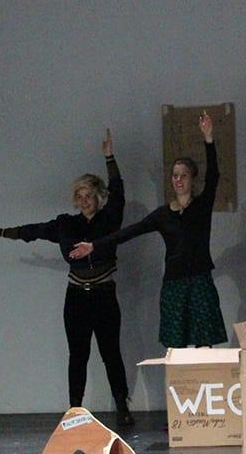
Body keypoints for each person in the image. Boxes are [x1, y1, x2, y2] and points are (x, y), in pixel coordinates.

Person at [0, 129, 134, 426]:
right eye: (80, 196)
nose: (84, 200)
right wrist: (3, 232)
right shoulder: (66, 224)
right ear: (75, 200)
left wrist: (109, 158)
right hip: (76, 297)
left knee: (110, 353)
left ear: (98, 197)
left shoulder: (109, 219)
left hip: (103, 294)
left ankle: (122, 406)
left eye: (89, 195)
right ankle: (74, 410)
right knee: (78, 354)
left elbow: (118, 191)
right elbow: (35, 231)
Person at [70, 111, 227, 348]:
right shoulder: (162, 215)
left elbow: (213, 175)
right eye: (175, 176)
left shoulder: (201, 206)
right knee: (176, 344)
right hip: (174, 283)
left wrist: (208, 138)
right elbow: (129, 232)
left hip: (200, 280)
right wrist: (94, 245)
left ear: (192, 179)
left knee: (204, 344)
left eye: (183, 175)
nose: (178, 180)